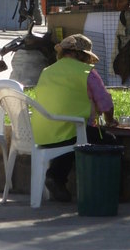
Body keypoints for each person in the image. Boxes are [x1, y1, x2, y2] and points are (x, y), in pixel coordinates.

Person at [30, 33, 117, 203]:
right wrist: (110, 120)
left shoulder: (47, 72)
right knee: (110, 141)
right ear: (82, 55)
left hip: (42, 133)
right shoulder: (86, 72)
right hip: (71, 131)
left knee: (68, 143)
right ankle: (111, 190)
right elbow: (105, 103)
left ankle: (55, 177)